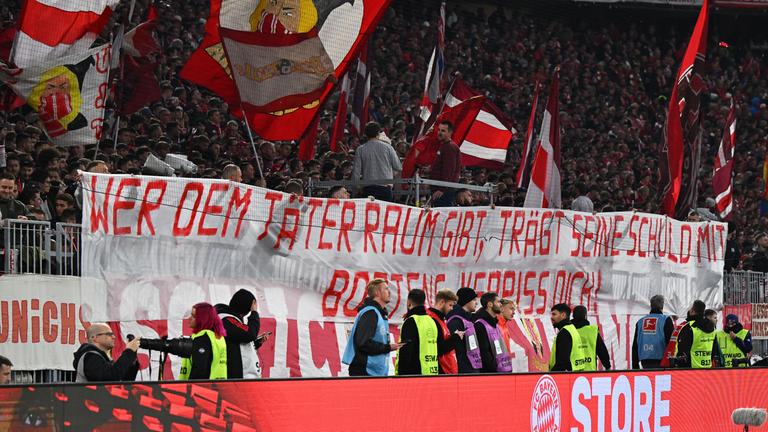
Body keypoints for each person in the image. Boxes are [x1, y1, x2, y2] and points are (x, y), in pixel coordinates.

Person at [342, 279, 404, 376]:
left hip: (375, 371)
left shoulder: (379, 313)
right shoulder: (370, 313)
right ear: (377, 293)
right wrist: (388, 347)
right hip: (365, 371)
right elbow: (363, 343)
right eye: (386, 289)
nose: (389, 292)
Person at [215, 289, 266, 379]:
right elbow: (250, 334)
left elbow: (238, 344)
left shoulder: (229, 320)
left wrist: (256, 343)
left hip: (238, 377)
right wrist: (254, 313)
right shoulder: (226, 319)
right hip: (234, 378)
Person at [72, 323, 141, 383]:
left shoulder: (101, 358)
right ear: (94, 338)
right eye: (109, 334)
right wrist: (129, 351)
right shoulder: (90, 356)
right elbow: (110, 378)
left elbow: (124, 380)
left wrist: (132, 356)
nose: (114, 337)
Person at [351, 121, 402, 201]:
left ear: (366, 134)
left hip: (368, 188)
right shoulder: (388, 147)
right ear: (378, 133)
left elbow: (356, 173)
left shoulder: (360, 149)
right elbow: (398, 167)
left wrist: (356, 189)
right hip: (385, 189)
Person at [179, 302, 228, 380]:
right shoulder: (217, 337)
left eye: (194, 316)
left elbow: (199, 370)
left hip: (201, 386)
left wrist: (190, 385)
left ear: (202, 319)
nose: (189, 318)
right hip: (218, 384)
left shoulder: (202, 338)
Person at [395, 289, 439, 375]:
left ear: (409, 302)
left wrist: (401, 375)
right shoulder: (432, 321)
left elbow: (406, 352)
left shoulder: (411, 321)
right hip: (432, 372)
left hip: (415, 375)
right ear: (424, 302)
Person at [425, 289, 464, 374]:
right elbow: (438, 348)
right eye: (450, 305)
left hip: (446, 370)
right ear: (442, 302)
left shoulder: (440, 319)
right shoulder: (432, 319)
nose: (451, 308)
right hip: (440, 370)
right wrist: (456, 337)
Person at [473, 292, 513, 373]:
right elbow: (484, 353)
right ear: (490, 304)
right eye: (498, 302)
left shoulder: (496, 324)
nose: (501, 305)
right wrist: (495, 369)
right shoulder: (480, 325)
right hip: (491, 374)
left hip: (501, 371)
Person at [675, 300, 722, 368]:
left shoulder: (689, 327)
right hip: (707, 367)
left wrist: (679, 365)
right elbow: (714, 349)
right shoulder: (712, 327)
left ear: (692, 311)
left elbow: (682, 350)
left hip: (691, 369)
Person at [632, 294, 674, 369]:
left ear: (651, 305)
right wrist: (672, 362)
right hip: (662, 361)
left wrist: (635, 366)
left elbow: (635, 344)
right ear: (662, 306)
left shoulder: (640, 322)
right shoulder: (666, 320)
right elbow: (671, 342)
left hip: (645, 360)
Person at [446, 287, 482, 374]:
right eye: (474, 300)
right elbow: (454, 348)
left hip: (472, 367)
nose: (476, 303)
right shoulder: (455, 320)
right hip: (463, 371)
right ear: (466, 301)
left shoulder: (468, 319)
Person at [429, 120, 461, 207]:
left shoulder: (449, 147)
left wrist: (441, 189)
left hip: (443, 192)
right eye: (439, 130)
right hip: (440, 189)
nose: (439, 133)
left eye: (443, 131)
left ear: (450, 133)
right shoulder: (444, 146)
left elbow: (449, 170)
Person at [572, 305, 611, 371]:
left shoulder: (569, 331)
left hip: (572, 372)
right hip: (590, 371)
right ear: (585, 316)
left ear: (573, 316)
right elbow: (602, 350)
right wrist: (607, 366)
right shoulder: (592, 331)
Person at [549, 303, 586, 372]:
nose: (551, 317)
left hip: (566, 375)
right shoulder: (571, 328)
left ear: (563, 315)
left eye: (554, 314)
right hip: (575, 373)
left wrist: (552, 374)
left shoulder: (564, 332)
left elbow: (563, 361)